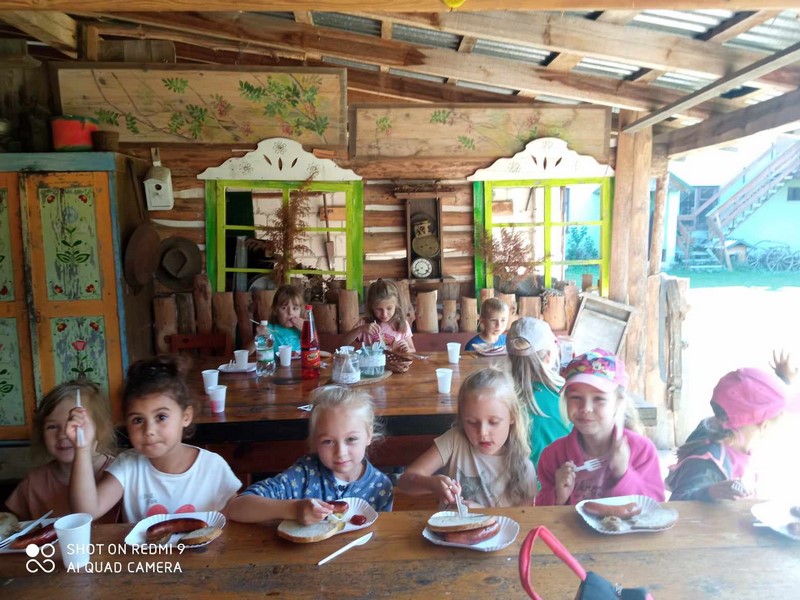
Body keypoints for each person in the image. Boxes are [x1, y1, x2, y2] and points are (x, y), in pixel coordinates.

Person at [67, 356, 241, 522]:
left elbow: (236, 510)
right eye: (138, 420)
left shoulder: (212, 466)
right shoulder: (127, 466)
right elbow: (87, 511)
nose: (149, 430)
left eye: (161, 417)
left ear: (185, 416)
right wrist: (82, 448)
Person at [227, 385, 393, 524]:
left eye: (351, 439)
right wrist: (294, 509)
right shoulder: (304, 475)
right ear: (315, 441)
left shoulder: (381, 487)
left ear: (369, 435)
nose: (340, 452)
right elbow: (237, 507)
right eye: (328, 441)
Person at [536, 348, 664, 506]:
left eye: (599, 399)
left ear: (618, 402)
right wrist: (557, 496)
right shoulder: (553, 456)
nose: (586, 408)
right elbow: (539, 510)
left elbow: (654, 508)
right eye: (576, 397)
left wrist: (623, 474)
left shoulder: (642, 451)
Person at [398, 368, 537, 508]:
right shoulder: (454, 441)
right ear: (462, 419)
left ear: (512, 417)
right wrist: (432, 483)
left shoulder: (524, 468)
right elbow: (404, 481)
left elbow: (524, 518)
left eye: (493, 422)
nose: (482, 433)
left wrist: (481, 514)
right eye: (472, 422)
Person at [665, 367, 797, 502]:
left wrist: (784, 380)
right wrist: (709, 493)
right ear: (764, 425)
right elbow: (677, 505)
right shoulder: (710, 462)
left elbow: (752, 399)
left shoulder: (721, 427)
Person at [5, 381, 118, 522]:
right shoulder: (33, 482)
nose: (64, 434)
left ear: (103, 429)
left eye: (77, 425)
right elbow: (13, 525)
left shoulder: (118, 473)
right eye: (52, 427)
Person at [506, 317, 572, 469]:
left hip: (523, 480)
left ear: (510, 358)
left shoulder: (504, 400)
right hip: (570, 477)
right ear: (548, 356)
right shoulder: (569, 393)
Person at [345, 279, 415, 353]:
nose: (384, 314)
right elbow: (342, 344)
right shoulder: (364, 324)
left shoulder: (402, 324)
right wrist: (360, 329)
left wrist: (408, 350)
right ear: (371, 306)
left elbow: (413, 350)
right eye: (379, 309)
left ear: (397, 305)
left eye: (389, 308)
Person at [247, 284, 305, 354]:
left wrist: (307, 331)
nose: (290, 313)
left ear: (300, 310)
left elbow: (314, 349)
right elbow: (247, 353)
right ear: (275, 310)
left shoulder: (302, 329)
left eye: (295, 308)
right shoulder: (268, 330)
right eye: (284, 308)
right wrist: (257, 337)